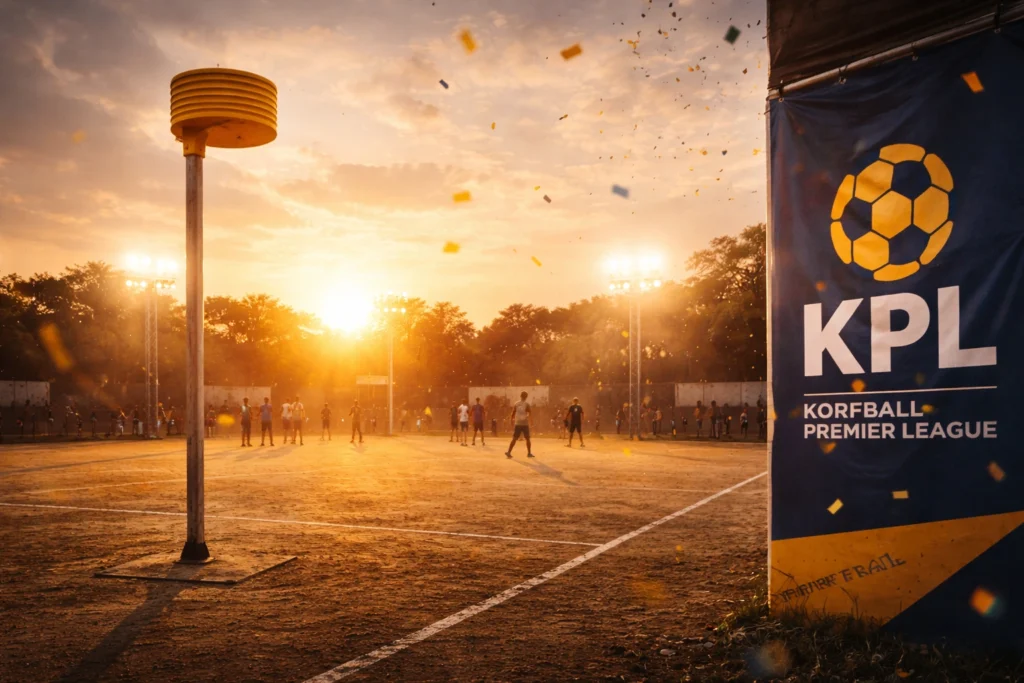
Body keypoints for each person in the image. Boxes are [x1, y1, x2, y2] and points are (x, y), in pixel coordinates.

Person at [505, 391, 534, 458]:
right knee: (527, 438)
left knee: (514, 438)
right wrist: (531, 422)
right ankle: (529, 453)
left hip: (517, 423)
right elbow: (530, 413)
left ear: (520, 396)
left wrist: (511, 421)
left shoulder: (516, 403)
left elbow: (513, 413)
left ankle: (509, 452)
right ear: (526, 397)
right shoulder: (527, 404)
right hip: (524, 423)